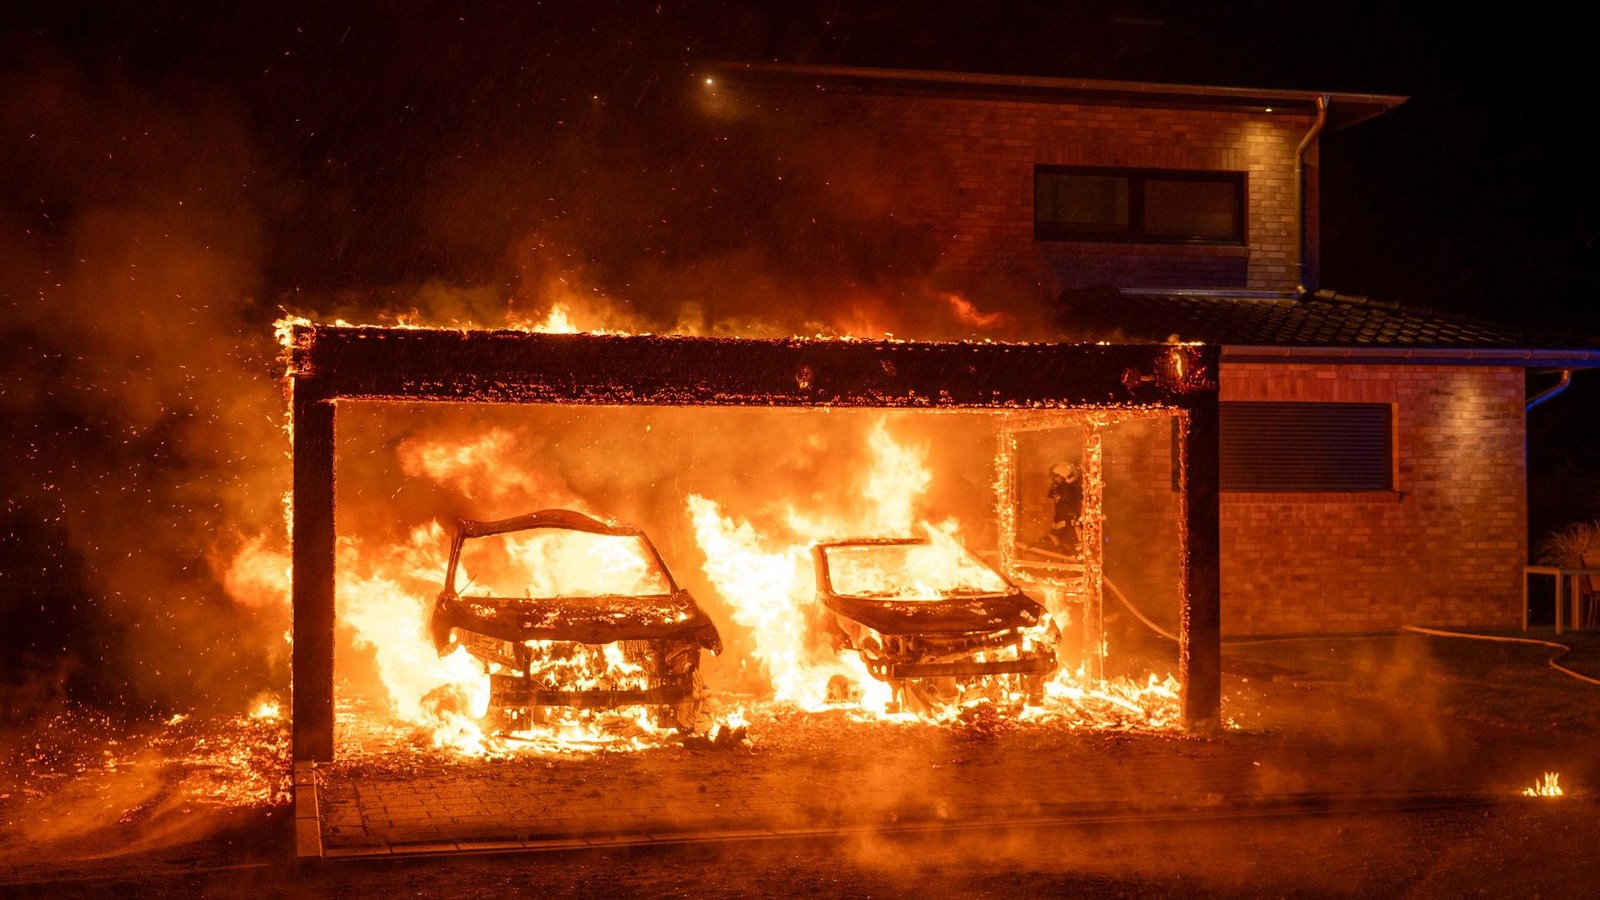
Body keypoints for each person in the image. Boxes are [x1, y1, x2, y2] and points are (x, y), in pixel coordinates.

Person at [1046, 461, 1082, 555]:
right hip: (1068, 538)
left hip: (1073, 538)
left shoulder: (1069, 494)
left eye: (1056, 478)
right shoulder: (1065, 495)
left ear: (1065, 478)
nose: (1054, 482)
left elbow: (1067, 524)